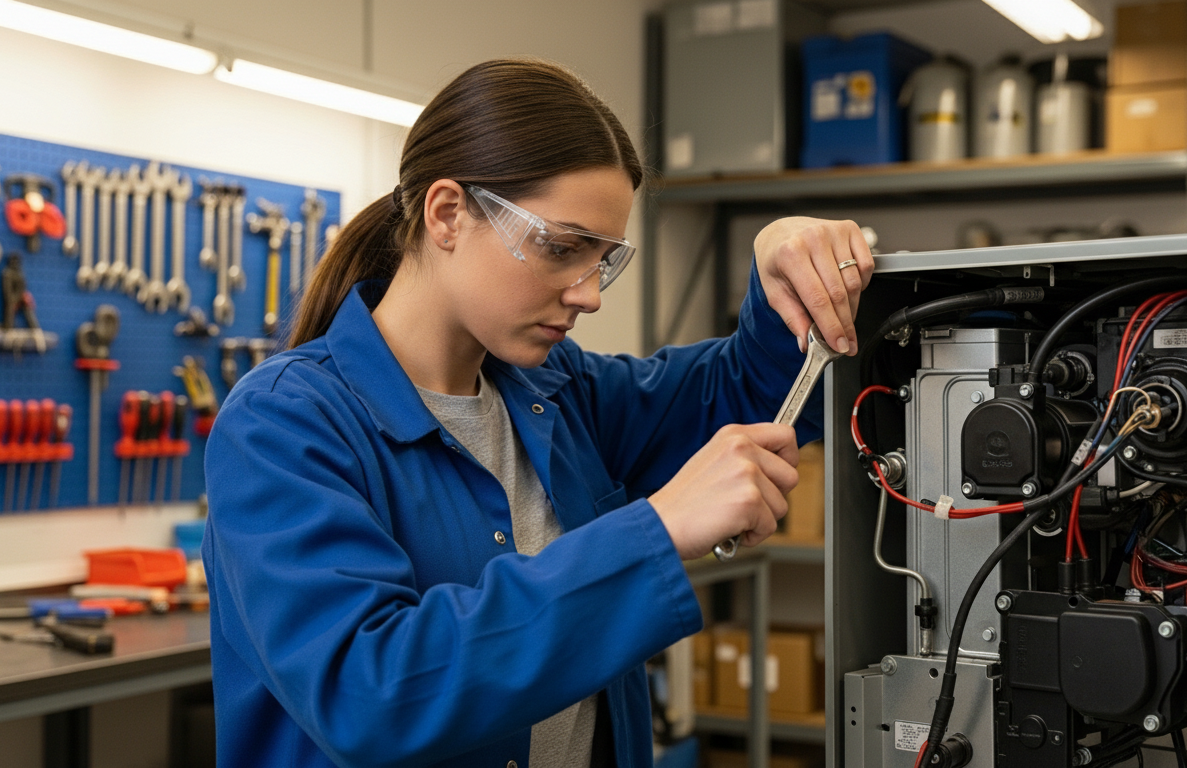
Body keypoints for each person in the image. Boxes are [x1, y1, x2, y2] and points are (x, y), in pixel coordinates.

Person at [203, 58, 873, 768]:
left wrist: (781, 269)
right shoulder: (282, 425)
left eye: (602, 260)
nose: (589, 294)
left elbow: (740, 389)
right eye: (561, 248)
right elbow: (372, 691)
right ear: (448, 214)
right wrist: (657, 530)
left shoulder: (555, 392)